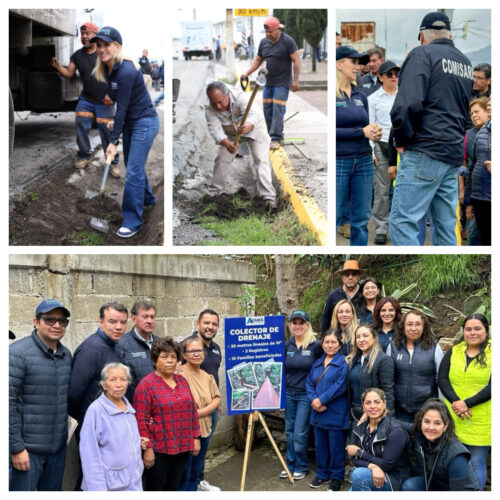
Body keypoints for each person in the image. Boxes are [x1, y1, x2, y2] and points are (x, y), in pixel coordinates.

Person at [389, 12, 474, 246]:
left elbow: (407, 104)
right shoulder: (465, 63)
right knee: (446, 225)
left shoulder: (421, 54)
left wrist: (401, 139)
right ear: (450, 34)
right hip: (452, 154)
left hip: (424, 150)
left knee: (403, 221)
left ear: (421, 36)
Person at [91, 27, 160, 238]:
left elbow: (121, 107)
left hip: (144, 123)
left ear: (117, 47)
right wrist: (116, 124)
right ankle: (148, 200)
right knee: (133, 166)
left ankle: (133, 222)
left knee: (133, 173)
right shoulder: (109, 69)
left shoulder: (127, 70)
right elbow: (121, 105)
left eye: (107, 45)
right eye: (99, 45)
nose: (102, 49)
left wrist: (113, 142)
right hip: (132, 122)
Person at [9, 299, 72, 491]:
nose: (56, 325)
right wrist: (16, 448)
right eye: (49, 319)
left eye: (62, 321)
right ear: (36, 322)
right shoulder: (17, 353)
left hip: (57, 451)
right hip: (28, 452)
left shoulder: (66, 354)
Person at [50, 22, 119, 174]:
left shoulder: (104, 53)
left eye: (88, 34)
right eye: (82, 34)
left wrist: (111, 94)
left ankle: (112, 162)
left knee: (107, 131)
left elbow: (116, 76)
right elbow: (69, 73)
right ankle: (84, 156)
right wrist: (58, 67)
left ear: (96, 36)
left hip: (105, 101)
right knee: (81, 122)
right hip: (86, 100)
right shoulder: (77, 55)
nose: (84, 37)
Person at [134, 337, 201, 491]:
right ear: (154, 360)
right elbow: (140, 420)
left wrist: (195, 437)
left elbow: (191, 411)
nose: (170, 361)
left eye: (173, 357)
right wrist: (148, 449)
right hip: (159, 448)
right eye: (164, 357)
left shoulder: (182, 381)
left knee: (173, 486)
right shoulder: (146, 385)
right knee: (156, 487)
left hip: (182, 445)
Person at [437, 313, 490, 490]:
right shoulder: (455, 350)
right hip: (453, 415)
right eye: (468, 329)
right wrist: (457, 402)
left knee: (477, 462)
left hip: (482, 418)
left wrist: (467, 403)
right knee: (454, 459)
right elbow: (442, 378)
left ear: (486, 330)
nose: (472, 333)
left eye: (477, 328)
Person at [336, 46, 383, 246]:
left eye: (358, 63)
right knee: (336, 213)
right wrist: (360, 132)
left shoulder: (359, 95)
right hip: (340, 161)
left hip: (363, 160)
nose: (358, 67)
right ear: (339, 65)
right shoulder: (332, 95)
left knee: (361, 220)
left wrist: (373, 135)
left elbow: (364, 127)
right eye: (353, 62)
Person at [205, 81, 277, 208]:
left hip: (254, 128)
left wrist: (247, 126)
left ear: (227, 94)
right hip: (231, 133)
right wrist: (227, 144)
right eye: (214, 103)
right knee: (222, 159)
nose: (218, 106)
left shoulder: (241, 97)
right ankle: (214, 194)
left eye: (220, 102)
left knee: (261, 159)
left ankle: (269, 198)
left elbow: (254, 115)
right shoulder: (210, 107)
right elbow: (215, 130)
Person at [79, 363, 144, 491]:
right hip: (110, 485)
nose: (119, 384)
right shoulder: (96, 410)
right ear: (103, 384)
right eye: (112, 380)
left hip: (133, 481)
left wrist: (137, 441)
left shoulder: (128, 408)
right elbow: (89, 453)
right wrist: (97, 489)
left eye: (123, 379)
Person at [241, 16, 301, 150]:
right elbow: (258, 60)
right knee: (268, 109)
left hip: (282, 82)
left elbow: (296, 61)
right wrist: (247, 73)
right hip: (267, 82)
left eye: (270, 32)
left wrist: (295, 80)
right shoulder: (263, 42)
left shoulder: (288, 41)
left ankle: (275, 138)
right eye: (266, 32)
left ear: (277, 29)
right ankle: (274, 135)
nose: (268, 34)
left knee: (277, 109)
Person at [181, 308, 222, 491]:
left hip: (211, 409)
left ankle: (199, 482)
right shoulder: (185, 346)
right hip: (191, 415)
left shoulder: (216, 348)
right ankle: (187, 487)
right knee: (190, 454)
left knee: (203, 450)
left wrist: (214, 403)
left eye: (214, 324)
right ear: (198, 323)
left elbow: (212, 376)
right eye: (206, 323)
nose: (210, 327)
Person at [402, 398, 480, 491]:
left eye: (437, 423)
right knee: (409, 485)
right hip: (439, 484)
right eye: (427, 421)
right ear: (421, 422)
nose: (431, 427)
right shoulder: (423, 432)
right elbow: (401, 424)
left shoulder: (457, 456)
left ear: (445, 426)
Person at [281, 310, 323, 481]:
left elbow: (323, 368)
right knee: (289, 431)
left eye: (301, 323)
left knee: (300, 432)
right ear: (290, 325)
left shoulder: (316, 345)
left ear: (307, 324)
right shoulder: (287, 345)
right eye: (294, 323)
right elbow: (281, 370)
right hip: (289, 394)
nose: (298, 326)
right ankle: (289, 465)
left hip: (306, 395)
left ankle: (301, 465)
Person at [306, 329, 349, 491]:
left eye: (333, 342)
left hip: (335, 412)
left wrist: (321, 400)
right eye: (326, 342)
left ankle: (337, 477)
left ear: (339, 345)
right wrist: (314, 400)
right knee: (320, 446)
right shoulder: (317, 363)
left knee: (336, 448)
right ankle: (322, 474)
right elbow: (309, 383)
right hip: (317, 412)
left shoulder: (343, 363)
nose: (330, 345)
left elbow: (341, 385)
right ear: (322, 344)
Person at [346, 388, 411, 491]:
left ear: (384, 403)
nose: (372, 406)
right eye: (368, 403)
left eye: (377, 402)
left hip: (393, 478)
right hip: (371, 472)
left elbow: (387, 465)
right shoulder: (358, 426)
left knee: (358, 475)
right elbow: (354, 459)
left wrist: (360, 452)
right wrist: (373, 466)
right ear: (363, 406)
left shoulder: (395, 431)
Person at [387, 310, 444, 423]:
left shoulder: (434, 348)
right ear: (403, 326)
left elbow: (441, 379)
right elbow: (388, 379)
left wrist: (440, 407)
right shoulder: (393, 347)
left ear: (424, 327)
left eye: (418, 324)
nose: (413, 328)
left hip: (427, 410)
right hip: (400, 410)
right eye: (409, 324)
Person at [368, 61, 399, 245]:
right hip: (381, 146)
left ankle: (397, 228)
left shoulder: (404, 95)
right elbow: (370, 126)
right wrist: (371, 150)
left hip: (402, 148)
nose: (394, 76)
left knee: (401, 191)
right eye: (389, 74)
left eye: (396, 73)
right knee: (381, 191)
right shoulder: (373, 99)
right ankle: (380, 228)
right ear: (380, 77)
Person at [346, 325, 394, 421]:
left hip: (374, 414)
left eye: (365, 335)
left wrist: (385, 415)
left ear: (374, 338)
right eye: (358, 337)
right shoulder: (353, 360)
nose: (361, 339)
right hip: (354, 412)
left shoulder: (383, 360)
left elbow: (387, 391)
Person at [116, 300, 159, 400]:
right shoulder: (121, 344)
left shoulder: (160, 342)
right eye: (145, 317)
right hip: (136, 405)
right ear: (133, 319)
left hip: (160, 404)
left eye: (152, 317)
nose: (150, 321)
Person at [462, 97, 489, 245]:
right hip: (476, 196)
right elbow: (469, 168)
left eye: (477, 112)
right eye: (471, 114)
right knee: (474, 235)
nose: (474, 116)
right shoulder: (470, 135)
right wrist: (468, 201)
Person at [320, 260, 365, 334]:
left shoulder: (364, 293)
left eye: (354, 274)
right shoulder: (333, 295)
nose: (350, 277)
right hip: (338, 338)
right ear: (342, 277)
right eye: (347, 275)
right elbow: (326, 319)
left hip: (361, 338)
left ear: (359, 276)